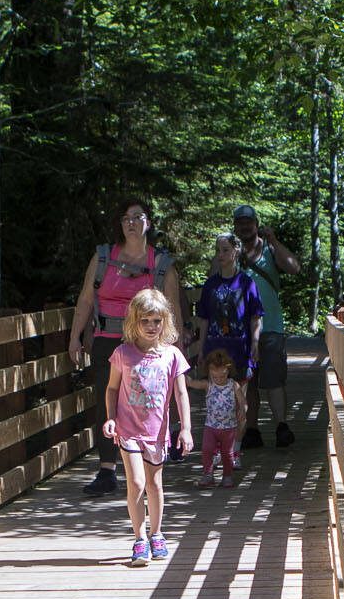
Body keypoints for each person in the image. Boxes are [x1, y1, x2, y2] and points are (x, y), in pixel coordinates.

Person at [69, 199, 180, 495]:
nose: (131, 223)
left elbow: (173, 312)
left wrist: (173, 350)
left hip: (146, 344)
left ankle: (152, 458)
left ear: (148, 223)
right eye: (125, 218)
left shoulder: (162, 264)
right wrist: (75, 336)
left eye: (137, 217)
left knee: (150, 399)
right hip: (108, 341)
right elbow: (86, 299)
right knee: (108, 399)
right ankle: (107, 469)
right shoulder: (104, 257)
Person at [101, 288, 192, 565]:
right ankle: (139, 538)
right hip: (127, 430)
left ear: (165, 321)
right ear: (133, 322)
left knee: (154, 484)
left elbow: (181, 394)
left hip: (157, 431)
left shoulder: (172, 355)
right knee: (137, 482)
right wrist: (111, 417)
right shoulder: (122, 354)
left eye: (156, 321)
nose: (151, 327)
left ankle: (157, 533)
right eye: (145, 321)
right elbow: (112, 389)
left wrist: (185, 428)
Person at [228, 204, 302, 449]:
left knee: (274, 380)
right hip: (240, 330)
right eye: (240, 223)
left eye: (249, 222)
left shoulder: (270, 249)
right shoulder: (232, 252)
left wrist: (274, 240)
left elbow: (293, 267)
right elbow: (214, 278)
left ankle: (281, 426)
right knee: (248, 380)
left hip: (270, 326)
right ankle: (252, 429)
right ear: (235, 227)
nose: (245, 226)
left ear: (256, 224)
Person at [194, 232, 263, 389]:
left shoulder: (247, 283)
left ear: (236, 250)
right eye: (218, 250)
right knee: (217, 399)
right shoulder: (210, 285)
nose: (220, 254)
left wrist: (255, 343)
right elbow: (204, 319)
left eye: (225, 250)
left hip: (239, 349)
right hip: (215, 350)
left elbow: (255, 317)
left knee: (240, 399)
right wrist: (201, 349)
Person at [195, 347, 248, 488]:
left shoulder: (233, 385)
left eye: (222, 376)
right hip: (211, 426)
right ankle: (208, 475)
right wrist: (181, 375)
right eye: (215, 376)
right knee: (207, 449)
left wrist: (243, 410)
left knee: (227, 453)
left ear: (228, 371)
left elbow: (243, 402)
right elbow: (191, 383)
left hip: (229, 427)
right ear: (209, 372)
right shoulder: (208, 385)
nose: (219, 379)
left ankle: (228, 476)